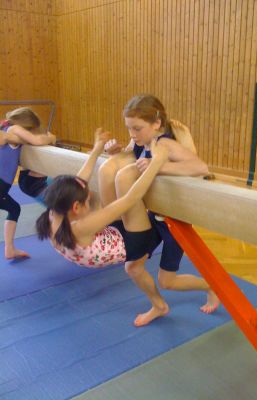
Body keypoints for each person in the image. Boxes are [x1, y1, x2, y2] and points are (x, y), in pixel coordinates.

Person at [99, 94, 219, 326]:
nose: (132, 134)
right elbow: (134, 163)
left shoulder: (164, 144)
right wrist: (117, 151)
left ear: (156, 124)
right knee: (133, 267)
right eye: (129, 128)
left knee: (167, 282)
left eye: (137, 128)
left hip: (174, 223)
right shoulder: (140, 143)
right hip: (154, 217)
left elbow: (200, 166)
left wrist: (160, 167)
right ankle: (159, 306)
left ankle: (210, 285)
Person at [36, 128, 170, 325]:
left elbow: (79, 181)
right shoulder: (80, 226)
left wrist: (97, 148)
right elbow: (130, 199)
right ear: (76, 207)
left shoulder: (53, 211)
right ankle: (145, 163)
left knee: (105, 170)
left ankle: (134, 152)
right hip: (133, 243)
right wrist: (156, 163)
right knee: (124, 181)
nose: (90, 203)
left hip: (110, 235)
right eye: (87, 202)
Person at [0, 107, 56, 259]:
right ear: (27, 126)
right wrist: (51, 138)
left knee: (14, 209)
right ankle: (9, 249)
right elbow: (38, 140)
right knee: (14, 209)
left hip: (2, 188)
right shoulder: (15, 129)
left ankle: (9, 249)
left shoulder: (5, 129)